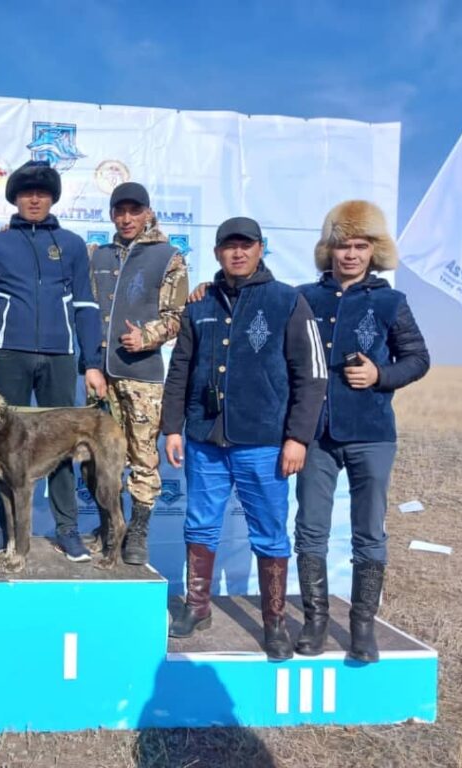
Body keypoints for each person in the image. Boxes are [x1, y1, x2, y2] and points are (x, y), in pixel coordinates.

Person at [161, 217, 327, 660]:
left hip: (264, 441)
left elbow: (311, 376)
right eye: (229, 246)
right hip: (204, 438)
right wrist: (172, 427)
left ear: (260, 249)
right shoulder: (199, 304)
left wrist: (298, 438)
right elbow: (180, 370)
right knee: (200, 523)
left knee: (270, 533)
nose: (238, 253)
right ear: (217, 252)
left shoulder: (287, 301)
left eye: (246, 245)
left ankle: (274, 622)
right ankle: (197, 607)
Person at [293, 200, 430, 663]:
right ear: (328, 250)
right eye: (342, 245)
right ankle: (314, 622)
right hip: (316, 435)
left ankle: (362, 627)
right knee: (310, 529)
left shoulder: (391, 301)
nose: (350, 254)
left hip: (372, 432)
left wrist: (380, 374)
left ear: (374, 250)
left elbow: (418, 358)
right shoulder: (303, 298)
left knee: (368, 531)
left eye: (360, 246)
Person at [0, 159, 106, 562]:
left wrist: (92, 363)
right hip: (9, 354)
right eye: (26, 193)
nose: (34, 199)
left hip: (60, 357)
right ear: (14, 198)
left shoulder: (72, 244)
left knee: (62, 445)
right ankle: (2, 528)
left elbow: (85, 305)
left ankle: (68, 530)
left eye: (42, 193)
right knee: (2, 445)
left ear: (52, 199)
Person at [86, 182, 188, 564]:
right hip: (100, 375)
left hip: (142, 376)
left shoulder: (168, 256)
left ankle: (138, 531)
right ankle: (109, 526)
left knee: (143, 456)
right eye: (120, 211)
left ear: (147, 212)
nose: (127, 219)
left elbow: (177, 316)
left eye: (134, 211)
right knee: (98, 456)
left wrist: (146, 336)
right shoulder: (97, 255)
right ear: (112, 214)